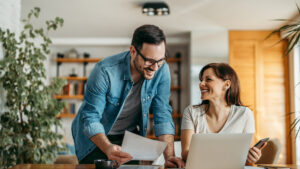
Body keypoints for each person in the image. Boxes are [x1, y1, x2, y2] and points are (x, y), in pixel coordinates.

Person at [71, 24, 184, 168]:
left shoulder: (162, 70)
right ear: (133, 51)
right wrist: (107, 148)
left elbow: (162, 113)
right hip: (96, 139)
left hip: (128, 138)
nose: (155, 67)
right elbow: (91, 117)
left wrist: (169, 157)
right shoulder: (104, 71)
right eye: (149, 60)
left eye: (160, 60)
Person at [181, 63, 266, 164]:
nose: (201, 84)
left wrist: (252, 156)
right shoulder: (191, 112)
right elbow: (186, 153)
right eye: (201, 80)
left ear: (226, 85)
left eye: (208, 79)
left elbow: (246, 159)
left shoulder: (244, 114)